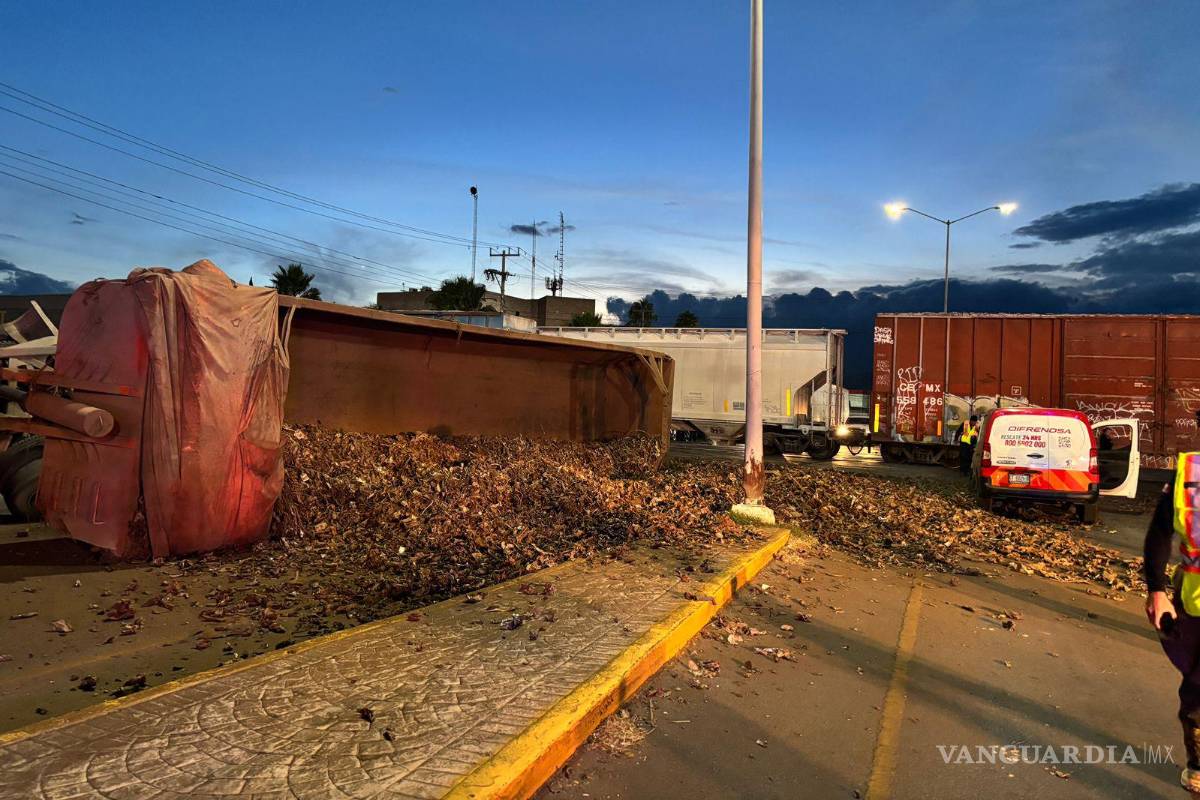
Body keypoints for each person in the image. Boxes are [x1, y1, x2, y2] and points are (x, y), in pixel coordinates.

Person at [1145, 413, 1200, 796]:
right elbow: (1161, 533)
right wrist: (1157, 590)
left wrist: (1157, 591)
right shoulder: (1189, 473)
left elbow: (1160, 533)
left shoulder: (1190, 474)